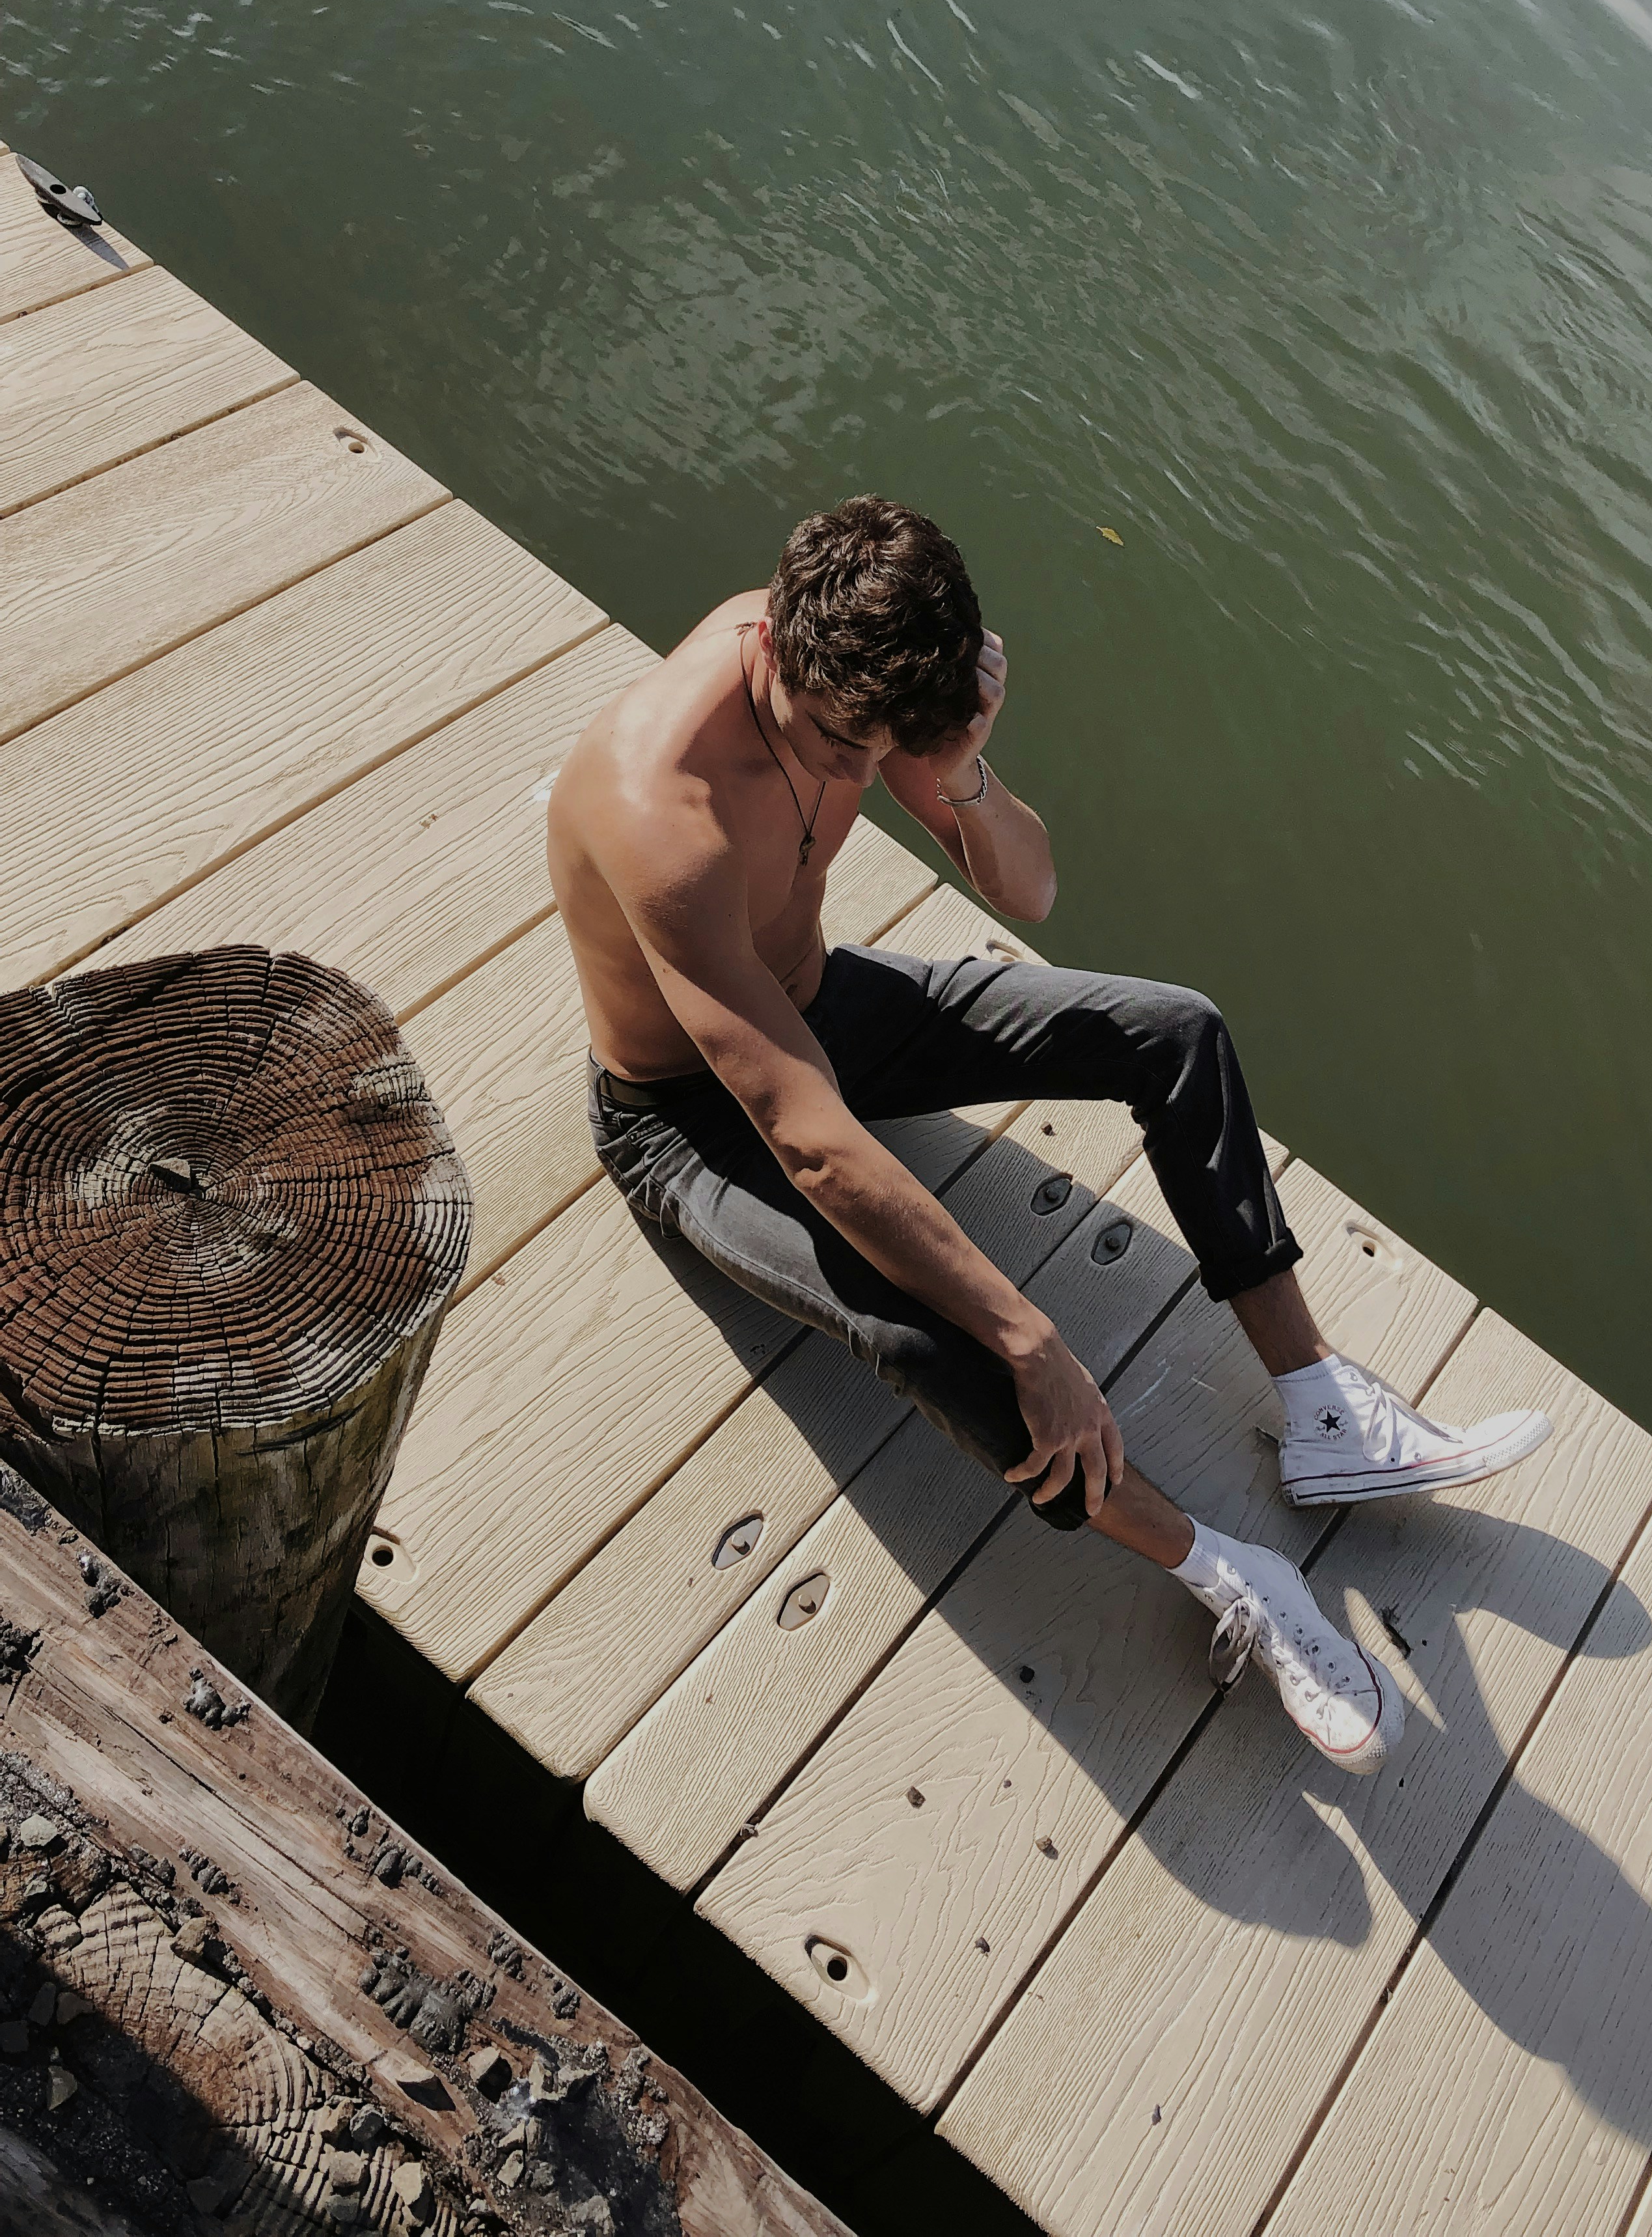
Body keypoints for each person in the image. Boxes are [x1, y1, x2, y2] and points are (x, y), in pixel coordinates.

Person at [548, 498, 1550, 1773]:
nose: (867, 773)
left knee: (1174, 1031)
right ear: (783, 652)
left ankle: (1320, 1407)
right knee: (928, 1327)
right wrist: (1030, 1338)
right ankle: (1227, 1573)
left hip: (814, 1010)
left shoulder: (867, 680)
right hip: (688, 1121)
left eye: (890, 744)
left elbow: (1027, 890)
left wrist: (963, 760)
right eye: (846, 744)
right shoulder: (663, 807)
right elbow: (805, 1141)